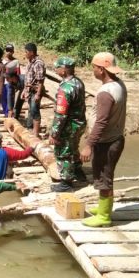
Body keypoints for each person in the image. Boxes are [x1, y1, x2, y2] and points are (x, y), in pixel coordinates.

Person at [80, 52, 127, 227]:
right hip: (115, 137)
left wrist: (88, 145)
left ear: (101, 69)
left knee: (104, 178)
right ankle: (103, 208)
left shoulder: (106, 93)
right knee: (105, 177)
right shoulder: (119, 84)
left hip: (106, 142)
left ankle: (104, 216)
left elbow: (101, 121)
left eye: (93, 67)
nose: (92, 70)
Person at [48, 56, 87, 193]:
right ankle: (78, 171)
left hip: (69, 126)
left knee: (63, 152)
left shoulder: (65, 88)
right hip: (80, 123)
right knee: (73, 147)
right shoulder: (78, 82)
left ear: (64, 70)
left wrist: (54, 133)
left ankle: (66, 182)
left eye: (58, 67)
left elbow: (61, 114)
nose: (56, 69)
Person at [21, 43, 45, 137]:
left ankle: (35, 132)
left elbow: (40, 81)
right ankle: (30, 128)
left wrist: (38, 94)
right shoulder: (30, 62)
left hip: (35, 90)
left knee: (35, 110)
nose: (25, 54)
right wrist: (24, 90)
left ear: (31, 52)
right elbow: (27, 79)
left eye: (26, 52)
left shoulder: (38, 63)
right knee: (31, 109)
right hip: (30, 90)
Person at [0, 43, 20, 117]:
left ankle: (9, 113)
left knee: (10, 98)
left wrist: (17, 84)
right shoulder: (2, 61)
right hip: (2, 82)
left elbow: (18, 72)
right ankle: (6, 112)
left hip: (11, 83)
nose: (8, 52)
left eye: (10, 50)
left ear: (13, 51)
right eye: (7, 50)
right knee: (3, 98)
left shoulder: (16, 61)